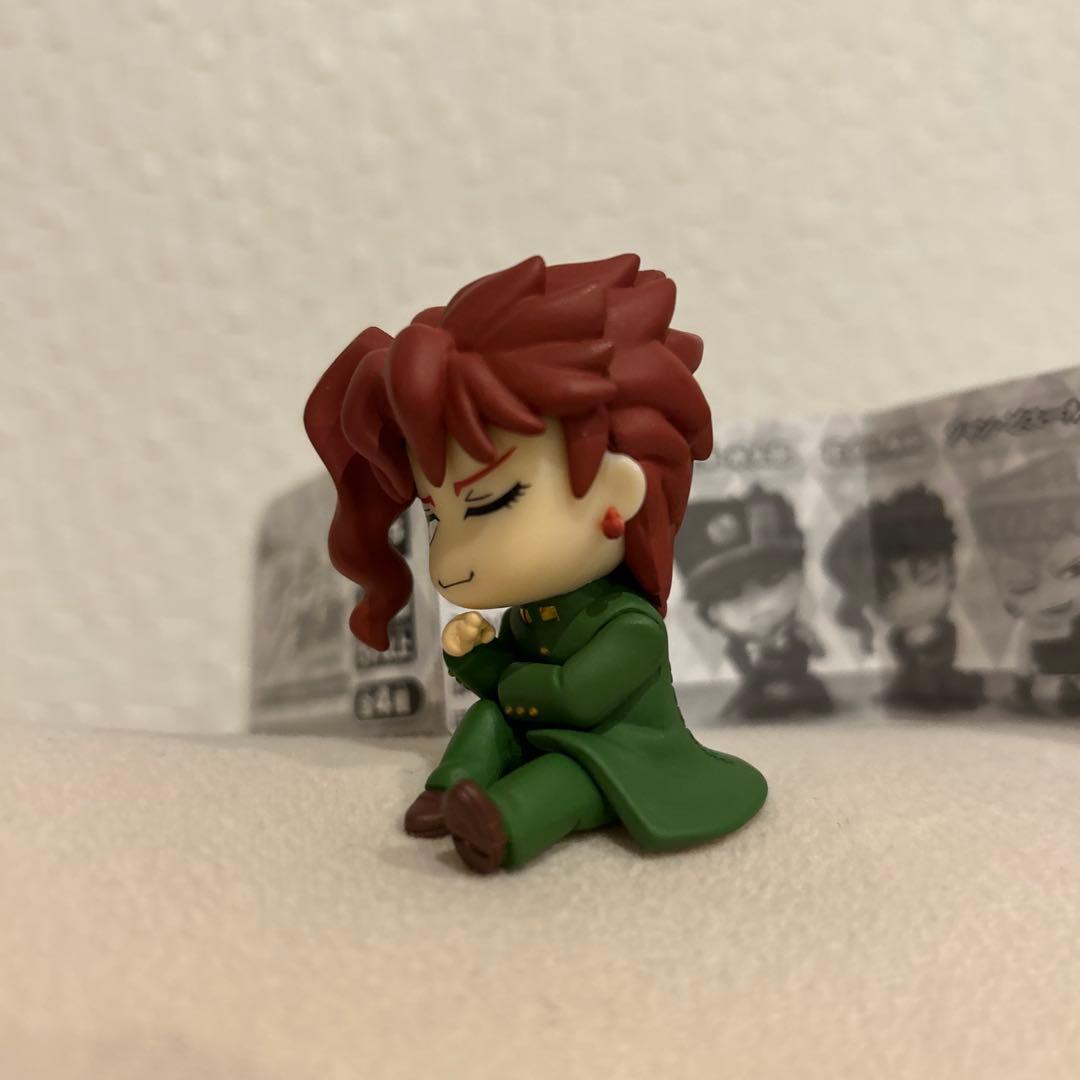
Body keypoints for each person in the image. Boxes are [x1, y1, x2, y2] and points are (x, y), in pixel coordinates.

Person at [304, 254, 767, 873]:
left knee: (565, 776)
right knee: (488, 720)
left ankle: (500, 826)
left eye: (491, 502)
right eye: (435, 518)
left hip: (620, 754)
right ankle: (449, 787)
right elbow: (512, 687)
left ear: (616, 494)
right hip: (537, 728)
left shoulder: (630, 627)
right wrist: (476, 659)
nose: (449, 558)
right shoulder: (531, 613)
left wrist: (498, 676)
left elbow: (573, 700)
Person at [674, 487, 832, 718]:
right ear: (711, 612)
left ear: (799, 575)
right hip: (759, 691)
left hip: (800, 685)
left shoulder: (795, 632)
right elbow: (741, 659)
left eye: (771, 578)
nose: (757, 602)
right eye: (729, 594)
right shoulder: (741, 649)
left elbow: (818, 651)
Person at [824, 485, 983, 710]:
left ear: (951, 571)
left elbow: (944, 653)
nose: (910, 599)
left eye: (928, 578)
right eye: (888, 591)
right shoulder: (898, 639)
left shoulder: (944, 633)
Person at [968, 451, 1080, 715]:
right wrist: (1022, 686)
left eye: (1074, 570)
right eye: (1024, 585)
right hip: (1047, 693)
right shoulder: (1028, 632)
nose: (1054, 594)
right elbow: (1022, 665)